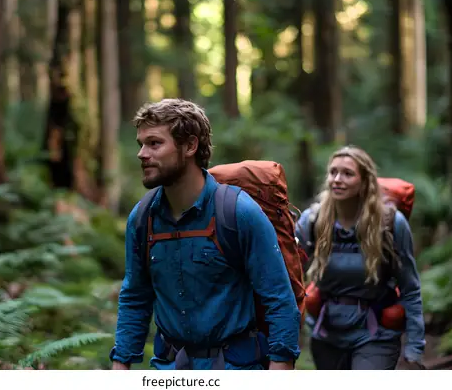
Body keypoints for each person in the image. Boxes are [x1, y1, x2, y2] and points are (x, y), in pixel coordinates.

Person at [109, 98, 301, 370]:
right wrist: (121, 365)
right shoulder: (142, 218)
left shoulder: (238, 212)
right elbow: (135, 297)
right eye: (140, 144)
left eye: (154, 143)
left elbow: (279, 299)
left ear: (190, 145)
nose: (142, 153)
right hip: (169, 368)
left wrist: (281, 366)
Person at [295, 146, 426, 370]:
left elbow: (410, 288)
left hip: (375, 334)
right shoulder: (312, 221)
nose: (337, 179)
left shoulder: (391, 224)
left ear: (365, 182)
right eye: (333, 172)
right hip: (326, 334)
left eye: (347, 173)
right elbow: (288, 275)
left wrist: (414, 348)